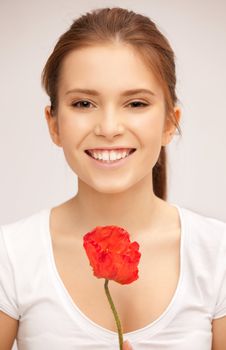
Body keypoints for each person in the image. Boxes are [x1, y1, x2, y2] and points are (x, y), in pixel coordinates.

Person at [0, 6, 225, 350]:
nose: (108, 128)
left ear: (169, 122)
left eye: (135, 103)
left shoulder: (218, 254)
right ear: (54, 124)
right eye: (83, 104)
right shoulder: (11, 256)